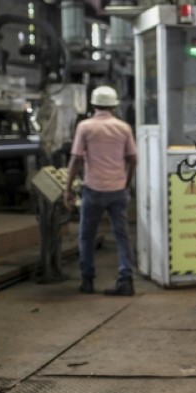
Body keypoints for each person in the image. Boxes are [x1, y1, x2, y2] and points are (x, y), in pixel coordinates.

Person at [64, 85, 137, 296]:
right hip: (117, 190)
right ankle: (126, 281)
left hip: (93, 189)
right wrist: (126, 183)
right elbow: (133, 159)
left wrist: (67, 190)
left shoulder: (85, 127)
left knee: (86, 236)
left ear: (93, 104)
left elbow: (76, 159)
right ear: (114, 105)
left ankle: (87, 281)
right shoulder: (123, 128)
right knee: (122, 236)